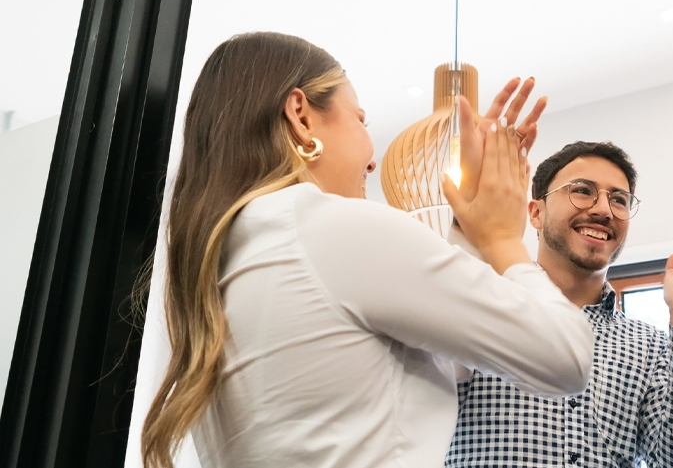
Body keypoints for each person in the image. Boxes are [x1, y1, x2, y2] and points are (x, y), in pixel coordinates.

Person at [140, 32, 595, 468]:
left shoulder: (224, 258)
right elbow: (566, 358)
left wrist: (468, 227)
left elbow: (440, 361)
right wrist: (500, 239)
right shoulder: (330, 228)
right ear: (301, 116)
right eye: (360, 119)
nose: (373, 160)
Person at [446, 141, 673, 468]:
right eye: (582, 191)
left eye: (619, 199)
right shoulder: (486, 308)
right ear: (536, 213)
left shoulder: (651, 347)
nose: (604, 210)